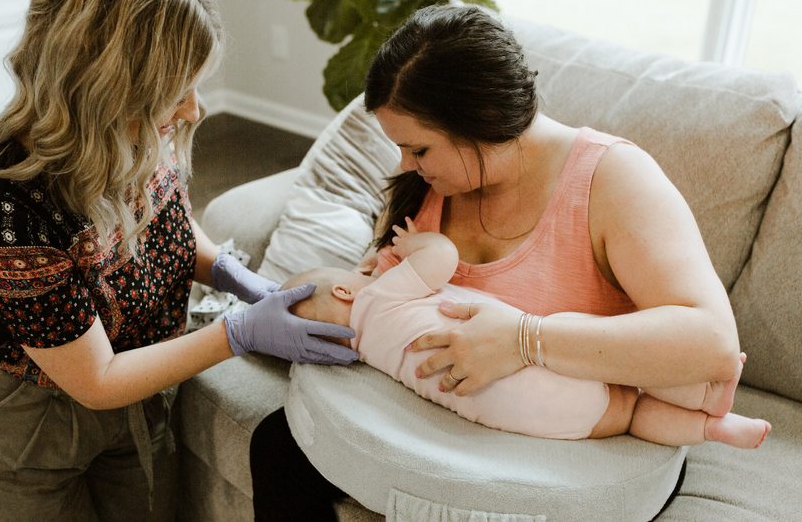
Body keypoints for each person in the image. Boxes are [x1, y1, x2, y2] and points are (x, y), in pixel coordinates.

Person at [250, 3, 749, 521]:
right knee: (277, 446)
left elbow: (712, 344)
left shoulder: (614, 182)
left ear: (480, 123)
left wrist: (525, 339)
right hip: (442, 426)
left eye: (419, 148)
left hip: (574, 439)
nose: (404, 165)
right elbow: (371, 310)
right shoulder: (422, 190)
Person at [0, 0, 359, 521]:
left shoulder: (138, 133)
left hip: (137, 387)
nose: (194, 109)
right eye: (176, 92)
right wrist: (239, 333)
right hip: (26, 418)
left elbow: (169, 225)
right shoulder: (10, 202)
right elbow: (96, 381)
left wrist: (228, 270)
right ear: (106, 87)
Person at [283, 218, 770, 448]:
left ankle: (710, 429)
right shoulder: (378, 295)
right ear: (347, 292)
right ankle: (705, 388)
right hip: (536, 359)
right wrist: (414, 245)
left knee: (633, 410)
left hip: (521, 415)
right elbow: (442, 258)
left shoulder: (365, 352)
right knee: (615, 363)